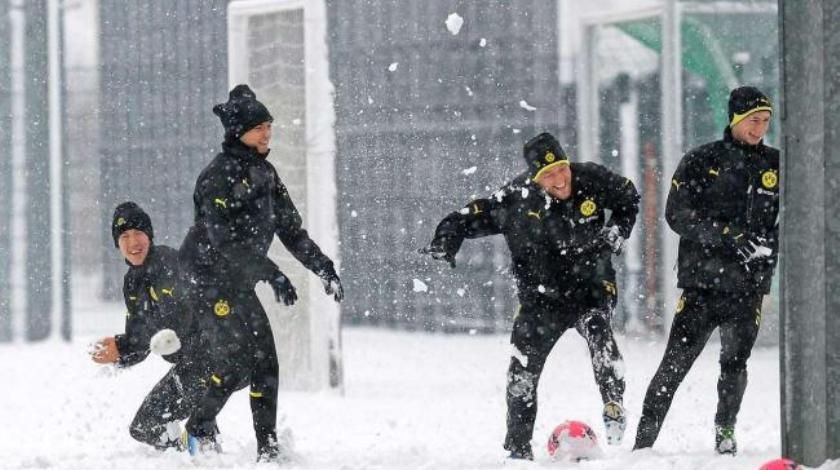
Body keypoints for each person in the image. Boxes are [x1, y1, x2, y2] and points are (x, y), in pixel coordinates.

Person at [422, 132, 640, 459]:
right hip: (541, 299)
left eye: (562, 168)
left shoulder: (590, 178)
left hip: (591, 288)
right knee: (521, 372)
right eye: (549, 175)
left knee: (598, 331)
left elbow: (628, 197)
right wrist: (446, 239)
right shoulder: (515, 199)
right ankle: (518, 451)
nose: (560, 179)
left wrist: (618, 230)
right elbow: (465, 218)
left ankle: (613, 404)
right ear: (535, 178)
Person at [179, 84, 344, 462]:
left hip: (238, 281)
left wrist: (322, 267)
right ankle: (198, 429)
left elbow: (291, 231)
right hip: (205, 281)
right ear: (238, 132)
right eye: (259, 128)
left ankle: (268, 450)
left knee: (265, 362)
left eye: (269, 126)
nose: (267, 133)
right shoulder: (216, 176)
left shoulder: (266, 174)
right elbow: (225, 241)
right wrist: (272, 273)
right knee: (236, 359)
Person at [633, 86, 779, 455]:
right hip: (702, 286)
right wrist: (727, 236)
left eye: (765, 121)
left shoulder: (776, 165)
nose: (759, 128)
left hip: (748, 287)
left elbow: (790, 221)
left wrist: (767, 254)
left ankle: (725, 432)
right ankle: (642, 444)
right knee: (674, 365)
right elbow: (676, 214)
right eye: (753, 120)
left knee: (735, 363)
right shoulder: (701, 160)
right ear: (735, 119)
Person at [91, 201, 217, 451]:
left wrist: (122, 345)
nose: (132, 242)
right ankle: (187, 454)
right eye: (124, 236)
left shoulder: (168, 263)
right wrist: (117, 355)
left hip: (214, 357)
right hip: (190, 365)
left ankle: (203, 453)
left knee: (176, 421)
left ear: (149, 235)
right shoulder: (132, 282)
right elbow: (141, 340)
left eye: (138, 233)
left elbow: (173, 325)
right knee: (144, 427)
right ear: (117, 244)